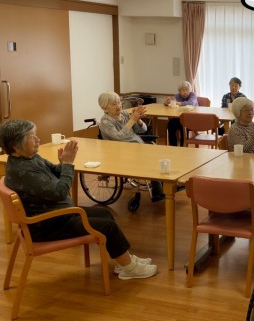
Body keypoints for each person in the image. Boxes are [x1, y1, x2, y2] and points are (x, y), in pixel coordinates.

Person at [0, 119, 158, 280]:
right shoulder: (23, 171)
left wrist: (64, 163)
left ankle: (125, 260)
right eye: (31, 136)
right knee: (108, 226)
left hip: (58, 215)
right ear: (15, 145)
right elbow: (60, 192)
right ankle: (129, 268)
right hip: (48, 225)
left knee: (105, 214)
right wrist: (68, 164)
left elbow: (56, 171)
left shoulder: (30, 158)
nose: (37, 139)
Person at [98, 91, 165, 202]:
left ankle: (164, 184)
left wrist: (138, 120)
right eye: (114, 104)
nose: (118, 106)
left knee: (162, 153)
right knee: (152, 158)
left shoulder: (124, 114)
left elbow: (142, 130)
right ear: (104, 107)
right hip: (123, 152)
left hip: (137, 147)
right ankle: (157, 190)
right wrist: (132, 119)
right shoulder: (105, 121)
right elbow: (118, 137)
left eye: (119, 102)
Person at [163, 81, 198, 146]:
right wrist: (166, 103)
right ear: (179, 91)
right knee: (171, 124)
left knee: (184, 124)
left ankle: (183, 146)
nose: (185, 92)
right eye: (183, 90)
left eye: (187, 90)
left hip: (191, 119)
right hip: (179, 118)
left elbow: (191, 103)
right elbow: (171, 103)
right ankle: (173, 146)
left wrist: (178, 103)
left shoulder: (193, 95)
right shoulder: (177, 95)